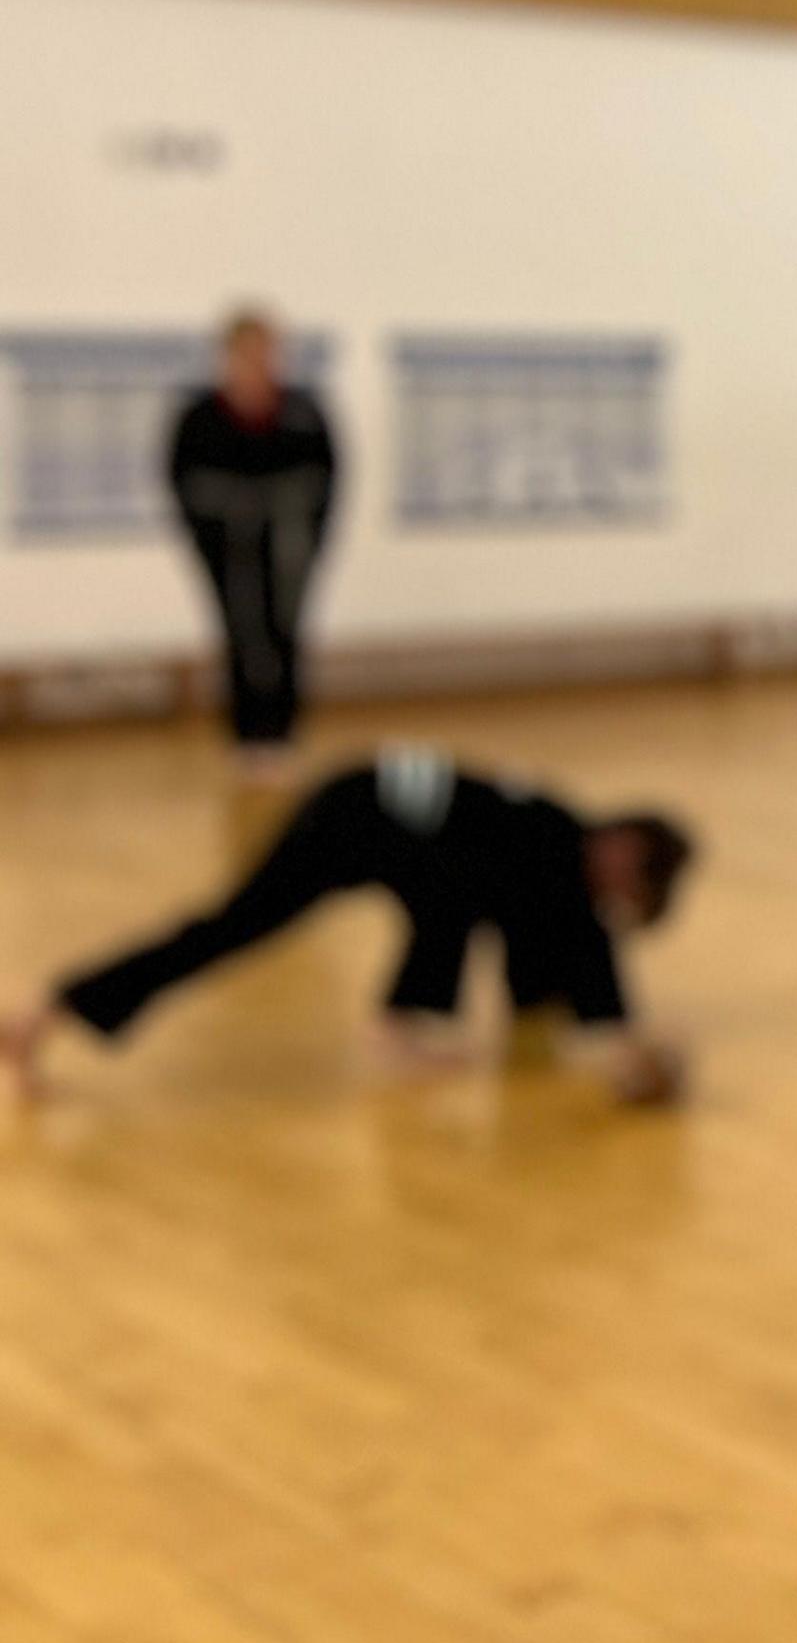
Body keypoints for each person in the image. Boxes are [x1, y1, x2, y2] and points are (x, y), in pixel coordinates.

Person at [4, 746, 699, 1108]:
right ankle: (49, 1010)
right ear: (624, 851)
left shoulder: (550, 844)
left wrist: (603, 1031)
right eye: (632, 886)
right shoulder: (552, 846)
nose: (616, 900)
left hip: (387, 822)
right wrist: (629, 1039)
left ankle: (400, 1028)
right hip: (354, 815)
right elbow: (583, 950)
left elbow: (557, 949)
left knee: (450, 896)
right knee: (234, 926)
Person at [170, 304, 339, 771]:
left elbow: (327, 478)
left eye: (267, 352)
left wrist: (299, 523)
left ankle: (283, 730)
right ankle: (245, 731)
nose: (259, 362)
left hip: (288, 543)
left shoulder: (302, 412)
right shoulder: (200, 417)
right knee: (240, 631)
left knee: (286, 628)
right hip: (227, 547)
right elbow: (182, 481)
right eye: (248, 353)